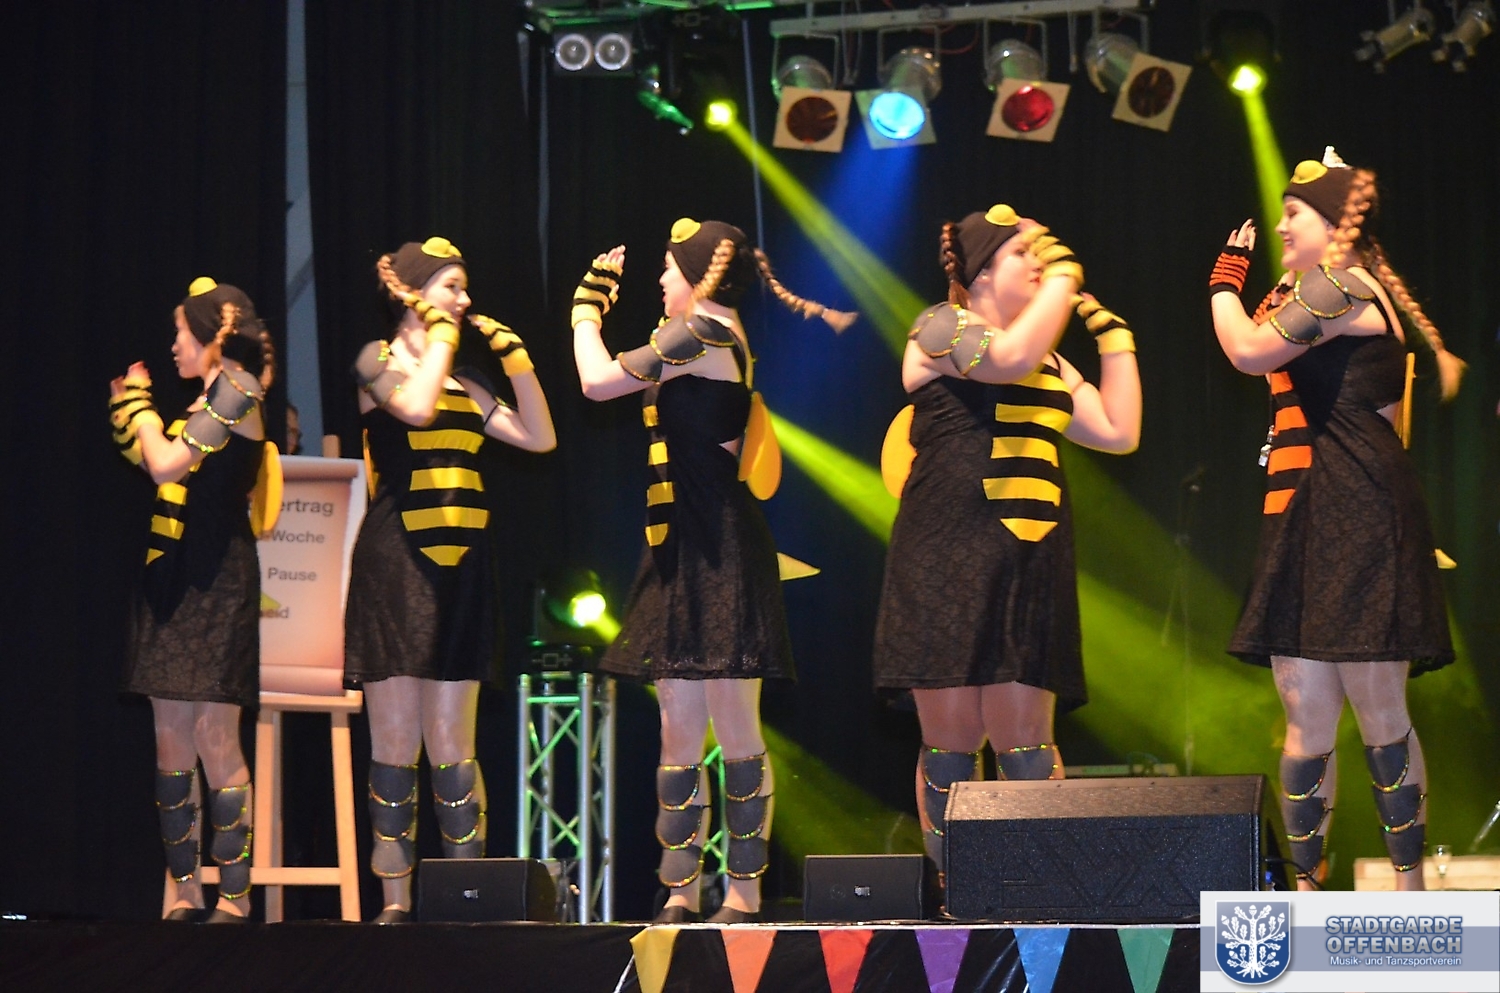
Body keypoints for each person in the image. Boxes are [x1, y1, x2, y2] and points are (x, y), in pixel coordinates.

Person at [571, 219, 852, 924]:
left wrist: (585, 311)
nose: (661, 281)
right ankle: (680, 890)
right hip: (679, 547)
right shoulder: (700, 333)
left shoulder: (702, 332)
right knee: (678, 731)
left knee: (735, 730)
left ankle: (744, 893)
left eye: (668, 270)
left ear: (698, 277)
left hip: (719, 550)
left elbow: (597, 382)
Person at [871, 205, 1141, 898]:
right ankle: (958, 890)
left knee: (1026, 740)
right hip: (948, 551)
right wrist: (1067, 279)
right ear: (985, 271)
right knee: (953, 742)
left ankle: (1035, 893)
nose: (1043, 267)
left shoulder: (1049, 358)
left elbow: (1117, 431)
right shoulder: (940, 326)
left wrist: (1116, 341)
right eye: (1027, 255)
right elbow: (1007, 358)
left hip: (1030, 554)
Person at [1208, 147, 1459, 890]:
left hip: (1357, 506)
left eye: (1295, 213)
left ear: (1336, 226)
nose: (1282, 225)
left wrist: (1222, 283)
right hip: (1304, 509)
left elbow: (1248, 350)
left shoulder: (1344, 285)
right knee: (1305, 717)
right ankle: (1307, 888)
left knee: (1379, 710)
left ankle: (1409, 889)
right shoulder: (1317, 289)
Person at [343, 237, 556, 923]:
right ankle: (395, 901)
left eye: (464, 289)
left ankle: (466, 896)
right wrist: (436, 339)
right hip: (397, 563)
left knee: (454, 744)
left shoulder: (467, 377)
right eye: (451, 287)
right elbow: (415, 409)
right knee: (395, 743)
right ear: (414, 293)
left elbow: (540, 436)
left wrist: (517, 361)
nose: (464, 300)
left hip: (465, 566)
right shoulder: (375, 360)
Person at [110, 277, 277, 922]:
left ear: (212, 336)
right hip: (171, 576)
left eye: (182, 333)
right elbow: (153, 462)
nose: (175, 345)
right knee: (170, 739)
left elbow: (164, 464)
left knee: (215, 735)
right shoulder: (205, 400)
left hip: (217, 579)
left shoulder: (240, 390)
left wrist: (142, 411)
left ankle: (234, 898)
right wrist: (130, 414)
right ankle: (184, 894)